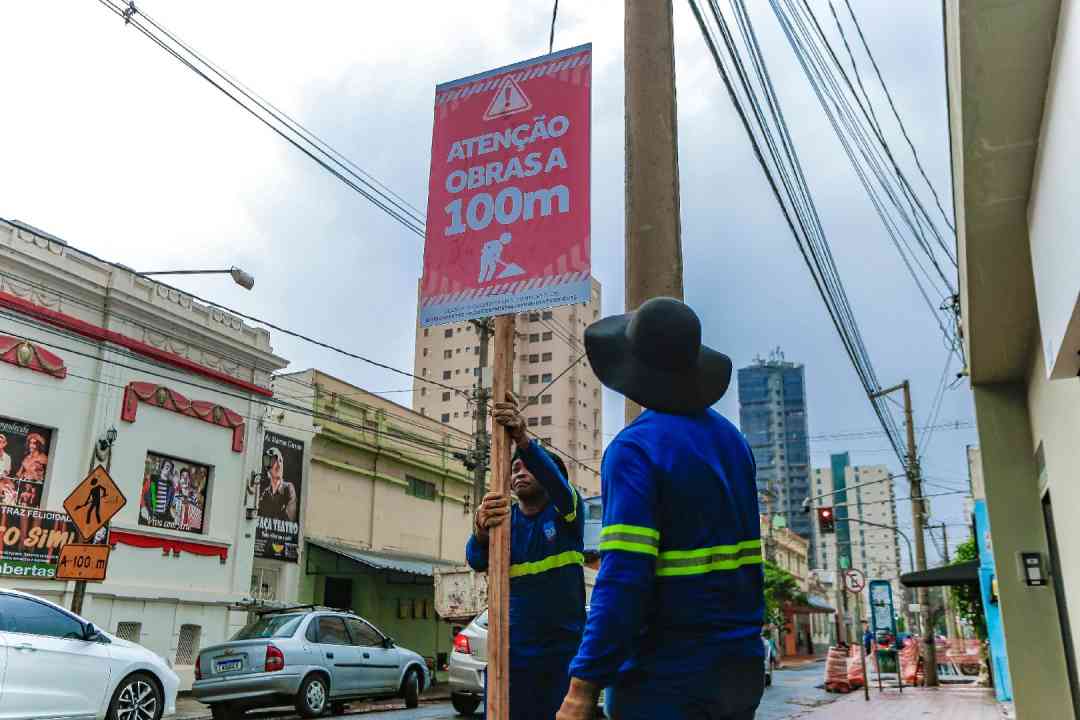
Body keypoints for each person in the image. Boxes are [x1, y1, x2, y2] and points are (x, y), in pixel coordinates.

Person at [557, 297, 765, 720]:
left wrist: (582, 687)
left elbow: (624, 579)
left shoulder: (635, 450)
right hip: (740, 669)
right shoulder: (733, 444)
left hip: (665, 679)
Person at [467, 393, 585, 720]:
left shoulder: (567, 513)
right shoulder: (504, 522)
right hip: (512, 655)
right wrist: (481, 527)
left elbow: (559, 486)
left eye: (528, 467)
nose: (519, 472)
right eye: (514, 468)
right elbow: (477, 559)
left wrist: (521, 437)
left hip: (562, 656)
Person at [259, 447, 298, 522]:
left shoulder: (288, 488)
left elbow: (290, 519)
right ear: (268, 468)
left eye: (280, 461)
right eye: (274, 462)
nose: (279, 466)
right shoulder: (265, 493)